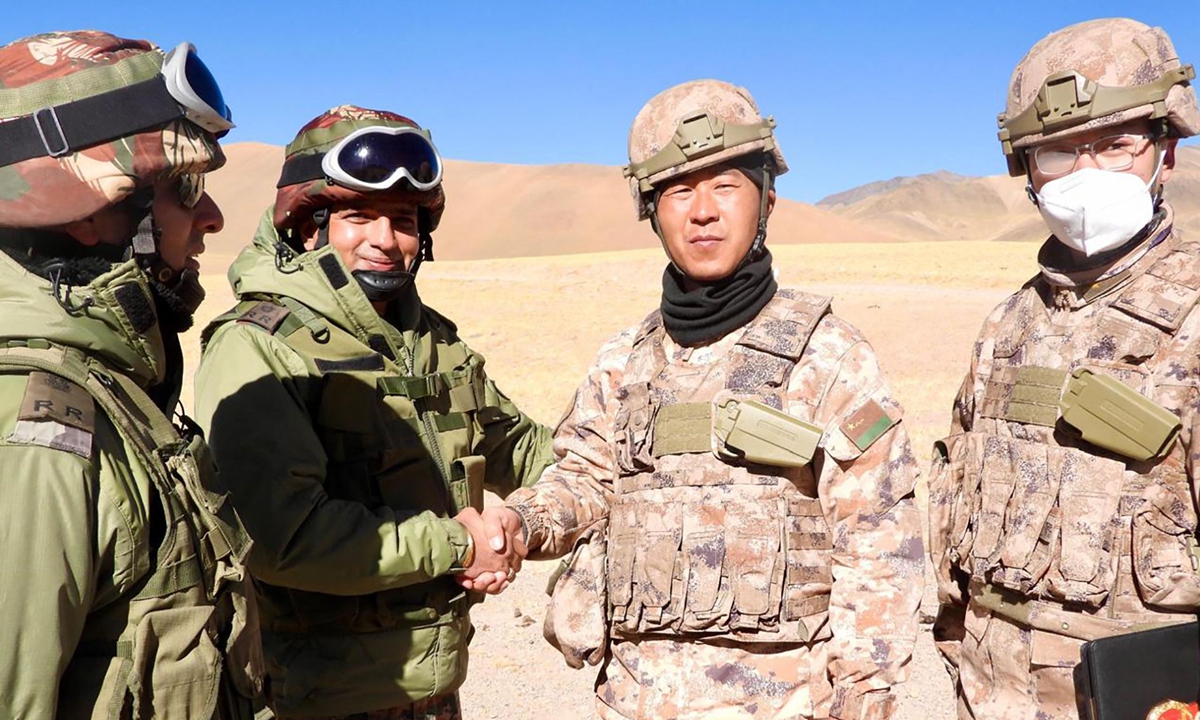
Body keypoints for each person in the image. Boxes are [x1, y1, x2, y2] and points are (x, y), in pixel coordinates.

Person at [479, 79, 924, 720]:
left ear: (766, 198)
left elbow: (878, 539)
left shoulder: (828, 356)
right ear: (652, 210)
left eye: (726, 185)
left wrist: (864, 693)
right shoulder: (624, 361)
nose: (703, 210)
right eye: (679, 190)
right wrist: (520, 522)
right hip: (634, 701)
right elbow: (583, 481)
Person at [193, 105, 556, 719]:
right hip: (313, 701)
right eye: (358, 216)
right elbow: (284, 538)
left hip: (432, 690)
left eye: (404, 220)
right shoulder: (258, 345)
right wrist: (459, 546)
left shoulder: (431, 342)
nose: (385, 241)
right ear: (308, 225)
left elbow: (517, 448)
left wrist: (623, 459)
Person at [927, 17, 1200, 720]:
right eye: (1057, 153)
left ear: (1164, 151)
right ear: (1027, 171)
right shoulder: (1008, 325)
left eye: (1114, 144)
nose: (1086, 175)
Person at [0, 30, 263, 718]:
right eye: (183, 187)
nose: (211, 215)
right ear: (90, 214)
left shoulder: (112, 392)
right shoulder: (37, 433)